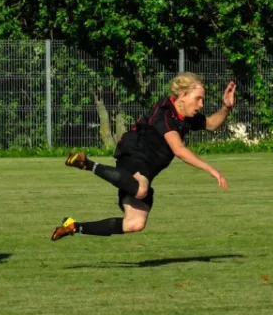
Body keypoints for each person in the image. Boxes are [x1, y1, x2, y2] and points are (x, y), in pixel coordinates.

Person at [51, 72, 236, 241]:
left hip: (143, 170)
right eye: (198, 99)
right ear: (183, 96)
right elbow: (179, 150)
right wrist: (212, 170)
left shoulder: (186, 116)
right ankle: (86, 163)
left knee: (135, 223)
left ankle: (73, 227)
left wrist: (226, 107)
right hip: (134, 152)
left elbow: (211, 124)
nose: (201, 105)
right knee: (140, 189)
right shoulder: (165, 113)